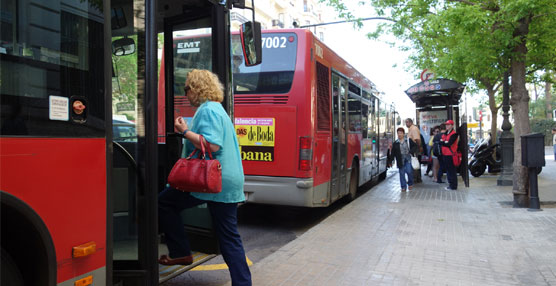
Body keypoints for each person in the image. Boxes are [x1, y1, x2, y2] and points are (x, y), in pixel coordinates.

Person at [158, 69, 251, 286]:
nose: (186, 93)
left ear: (197, 88)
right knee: (229, 238)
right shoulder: (217, 109)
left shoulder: (207, 110)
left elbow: (212, 144)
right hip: (222, 181)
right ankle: (242, 283)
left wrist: (184, 131)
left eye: (187, 88)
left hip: (213, 181)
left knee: (164, 202)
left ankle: (181, 251)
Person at [388, 127, 418, 192]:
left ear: (403, 134)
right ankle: (403, 187)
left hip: (408, 159)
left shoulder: (408, 140)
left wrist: (411, 151)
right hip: (400, 160)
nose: (399, 134)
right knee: (402, 174)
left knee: (409, 171)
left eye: (401, 133)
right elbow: (393, 153)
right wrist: (390, 161)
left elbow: (415, 146)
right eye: (398, 133)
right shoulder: (396, 143)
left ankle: (410, 183)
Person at [440, 120, 459, 190]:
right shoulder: (446, 133)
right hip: (445, 154)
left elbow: (449, 143)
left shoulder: (454, 134)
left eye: (448, 125)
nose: (447, 126)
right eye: (446, 125)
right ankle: (451, 184)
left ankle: (453, 186)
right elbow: (442, 141)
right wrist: (444, 142)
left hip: (450, 154)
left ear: (452, 125)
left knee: (451, 170)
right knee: (448, 170)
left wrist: (443, 142)